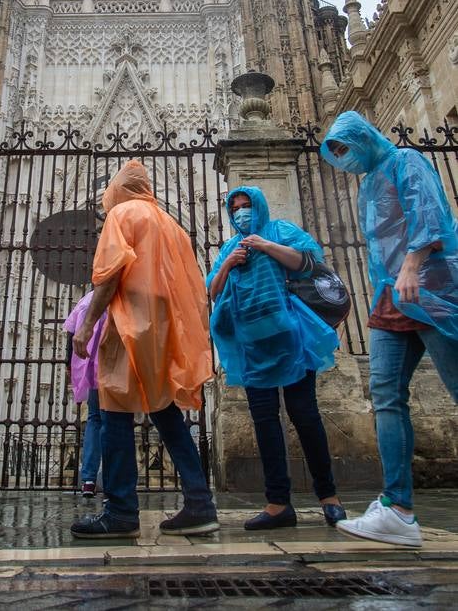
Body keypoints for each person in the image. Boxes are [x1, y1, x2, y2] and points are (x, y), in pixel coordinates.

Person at [322, 111, 458, 547]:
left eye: (345, 149)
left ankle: (397, 506)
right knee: (384, 393)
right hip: (390, 295)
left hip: (428, 289)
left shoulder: (406, 161)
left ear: (362, 138)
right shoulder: (368, 183)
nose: (343, 159)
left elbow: (429, 215)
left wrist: (414, 266)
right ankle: (397, 508)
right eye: (336, 154)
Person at [70, 160, 218, 538]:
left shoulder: (124, 214)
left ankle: (121, 510)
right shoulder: (170, 223)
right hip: (166, 328)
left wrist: (87, 325)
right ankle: (200, 503)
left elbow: (111, 273)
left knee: (115, 411)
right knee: (165, 410)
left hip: (131, 326)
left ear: (119, 189)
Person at [206, 186, 346, 530]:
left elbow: (307, 263)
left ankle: (329, 497)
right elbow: (212, 290)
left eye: (246, 205)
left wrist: (264, 245)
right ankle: (277, 503)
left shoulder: (281, 231)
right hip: (252, 346)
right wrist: (228, 264)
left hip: (289, 339)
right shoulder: (228, 247)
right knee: (265, 421)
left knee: (305, 415)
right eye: (235, 207)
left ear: (259, 206)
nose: (241, 212)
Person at [64, 290, 106, 498]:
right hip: (117, 370)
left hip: (94, 372)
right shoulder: (118, 298)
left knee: (95, 420)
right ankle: (114, 478)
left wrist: (69, 365)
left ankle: (88, 479)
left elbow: (71, 333)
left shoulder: (85, 301)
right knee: (117, 420)